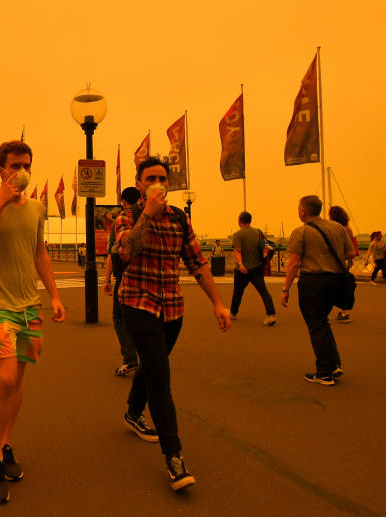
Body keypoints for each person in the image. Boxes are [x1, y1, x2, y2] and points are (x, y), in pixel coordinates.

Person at [115, 156, 231, 491]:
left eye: (163, 178)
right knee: (161, 380)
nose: (158, 183)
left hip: (172, 308)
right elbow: (126, 252)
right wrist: (147, 214)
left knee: (153, 366)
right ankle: (175, 458)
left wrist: (218, 303)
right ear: (139, 184)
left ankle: (133, 413)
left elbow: (197, 261)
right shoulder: (127, 216)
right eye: (150, 178)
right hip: (138, 303)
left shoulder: (180, 218)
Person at [0, 140, 65, 505]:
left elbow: (39, 252)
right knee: (4, 377)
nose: (21, 171)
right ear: (1, 170)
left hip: (29, 306)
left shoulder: (38, 208)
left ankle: (7, 443)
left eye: (26, 165)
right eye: (14, 166)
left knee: (19, 377)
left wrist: (54, 294)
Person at [280, 195, 356, 386]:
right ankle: (333, 364)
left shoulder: (301, 232)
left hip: (313, 282)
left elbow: (293, 264)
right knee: (323, 322)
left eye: (299, 208)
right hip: (335, 281)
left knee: (315, 325)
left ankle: (323, 372)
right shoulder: (337, 227)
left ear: (303, 211)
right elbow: (350, 253)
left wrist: (285, 289)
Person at [103, 186, 142, 376]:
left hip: (125, 277)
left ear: (124, 202)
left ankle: (130, 359)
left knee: (119, 316)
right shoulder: (150, 215)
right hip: (148, 275)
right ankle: (149, 359)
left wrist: (107, 280)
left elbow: (113, 252)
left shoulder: (122, 219)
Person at [229, 211, 277, 326]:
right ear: (250, 221)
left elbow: (237, 251)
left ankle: (233, 313)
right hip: (257, 268)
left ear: (239, 221)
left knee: (238, 292)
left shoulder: (237, 235)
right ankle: (271, 315)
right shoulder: (258, 232)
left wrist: (241, 265)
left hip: (243, 270)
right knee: (263, 291)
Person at [328, 206, 357, 322]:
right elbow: (352, 247)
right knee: (342, 286)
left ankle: (342, 312)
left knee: (333, 286)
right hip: (344, 261)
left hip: (334, 261)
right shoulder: (348, 229)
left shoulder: (333, 228)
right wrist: (350, 260)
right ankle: (343, 312)